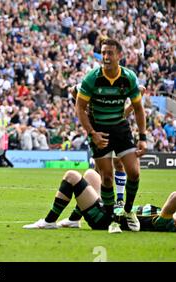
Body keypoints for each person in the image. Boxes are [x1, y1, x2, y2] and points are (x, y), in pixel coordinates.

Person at [75, 38, 147, 231]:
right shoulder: (92, 78)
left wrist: (143, 137)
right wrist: (92, 133)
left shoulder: (129, 77)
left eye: (110, 53)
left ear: (119, 56)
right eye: (103, 52)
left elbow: (139, 109)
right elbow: (80, 108)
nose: (106, 57)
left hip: (121, 127)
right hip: (99, 130)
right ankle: (112, 219)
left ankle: (128, 211)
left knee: (134, 172)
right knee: (106, 177)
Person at [23, 169, 176, 233]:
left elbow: (174, 197)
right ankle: (73, 220)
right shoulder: (165, 217)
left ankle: (49, 222)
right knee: (91, 174)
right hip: (109, 209)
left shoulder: (166, 223)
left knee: (71, 176)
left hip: (104, 219)